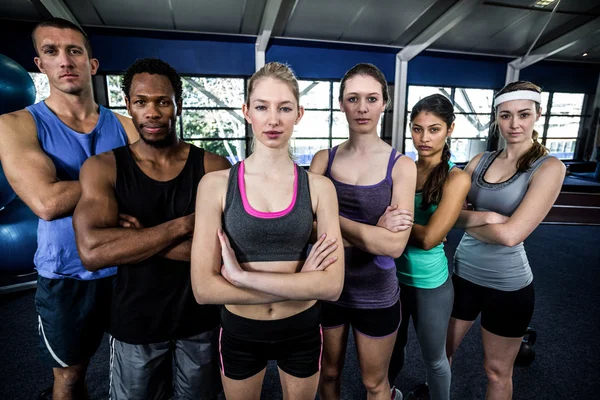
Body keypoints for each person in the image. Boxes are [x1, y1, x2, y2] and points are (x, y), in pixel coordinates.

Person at [72, 58, 230, 399]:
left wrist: (136, 236)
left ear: (178, 105)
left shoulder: (214, 167)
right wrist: (185, 226)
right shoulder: (103, 168)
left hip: (200, 319)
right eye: (141, 102)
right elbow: (93, 252)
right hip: (135, 323)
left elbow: (225, 254)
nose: (152, 112)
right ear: (128, 105)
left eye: (162, 101)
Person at [0, 18, 137, 399]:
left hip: (127, 267)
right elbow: (46, 202)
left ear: (92, 64)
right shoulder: (16, 125)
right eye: (51, 51)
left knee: (134, 368)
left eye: (75, 50)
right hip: (66, 274)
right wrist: (116, 185)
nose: (65, 60)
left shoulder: (127, 126)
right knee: (70, 377)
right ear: (40, 64)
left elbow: (152, 190)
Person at [190, 61, 345, 400]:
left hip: (302, 330)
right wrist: (303, 284)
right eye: (262, 107)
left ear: (299, 113)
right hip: (241, 332)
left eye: (284, 108)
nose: (273, 120)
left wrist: (241, 277)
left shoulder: (320, 188)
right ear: (247, 111)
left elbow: (332, 286)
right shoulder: (215, 185)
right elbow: (203, 289)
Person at [447, 81, 566, 399]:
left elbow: (513, 235)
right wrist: (488, 218)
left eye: (524, 114)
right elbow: (447, 214)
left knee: (497, 372)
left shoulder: (549, 167)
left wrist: (463, 219)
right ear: (496, 117)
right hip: (462, 275)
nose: (515, 124)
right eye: (506, 115)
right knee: (438, 356)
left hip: (508, 285)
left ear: (538, 114)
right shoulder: (479, 161)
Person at [310, 63, 417, 400]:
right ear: (341, 104)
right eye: (353, 98)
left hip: (377, 291)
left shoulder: (401, 166)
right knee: (327, 375)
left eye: (371, 98)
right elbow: (307, 232)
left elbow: (395, 246)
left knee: (375, 384)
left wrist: (331, 223)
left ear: (384, 103)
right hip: (329, 286)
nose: (362, 108)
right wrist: (374, 232)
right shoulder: (322, 161)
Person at [380, 94, 470, 400]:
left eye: (434, 129)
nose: (424, 137)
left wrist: (389, 225)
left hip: (431, 283)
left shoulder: (456, 178)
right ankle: (388, 394)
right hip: (391, 279)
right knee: (390, 352)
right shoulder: (402, 168)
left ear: (450, 129)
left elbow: (431, 238)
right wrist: (387, 224)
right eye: (417, 129)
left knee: (435, 359)